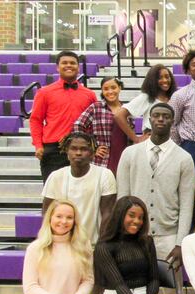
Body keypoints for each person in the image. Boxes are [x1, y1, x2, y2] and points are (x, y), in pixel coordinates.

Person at [116, 102, 195, 294]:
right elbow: (122, 199)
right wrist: (122, 237)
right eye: (156, 116)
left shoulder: (183, 158)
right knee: (134, 291)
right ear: (149, 120)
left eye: (166, 116)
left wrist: (180, 242)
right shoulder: (130, 154)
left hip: (168, 236)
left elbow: (187, 204)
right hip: (135, 237)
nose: (161, 120)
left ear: (173, 122)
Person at [30, 50, 97, 182]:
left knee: (81, 188)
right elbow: (36, 120)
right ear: (57, 67)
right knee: (53, 189)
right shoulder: (44, 92)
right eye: (64, 63)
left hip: (82, 148)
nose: (69, 65)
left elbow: (95, 122)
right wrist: (38, 145)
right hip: (54, 149)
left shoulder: (89, 94)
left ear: (78, 67)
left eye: (72, 63)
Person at [42, 132, 116, 245]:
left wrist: (101, 245)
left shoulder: (105, 175)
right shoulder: (55, 177)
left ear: (92, 153)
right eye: (73, 148)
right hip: (63, 244)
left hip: (93, 244)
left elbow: (108, 213)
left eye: (84, 149)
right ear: (67, 152)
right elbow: (47, 213)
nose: (78, 153)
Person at [73, 77, 132, 173]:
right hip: (102, 160)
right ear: (102, 91)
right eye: (106, 89)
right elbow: (78, 126)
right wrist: (91, 147)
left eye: (113, 87)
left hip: (123, 157)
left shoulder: (127, 109)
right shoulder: (96, 107)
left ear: (119, 88)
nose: (110, 91)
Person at [115, 64, 178, 144]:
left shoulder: (175, 98)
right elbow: (119, 115)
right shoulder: (146, 97)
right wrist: (136, 139)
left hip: (171, 142)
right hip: (152, 143)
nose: (165, 80)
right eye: (160, 78)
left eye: (167, 77)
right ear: (152, 80)